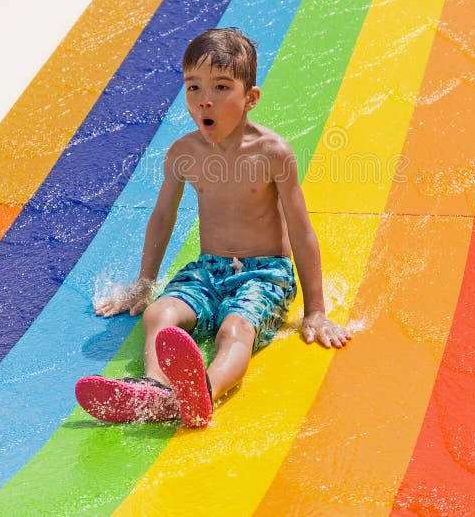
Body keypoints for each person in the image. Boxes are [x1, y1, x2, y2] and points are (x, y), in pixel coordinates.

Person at [75, 27, 351, 428]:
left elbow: (302, 230)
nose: (205, 99)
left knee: (234, 329)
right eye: (193, 87)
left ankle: (205, 389)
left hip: (265, 273)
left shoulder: (273, 153)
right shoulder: (184, 153)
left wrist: (316, 311)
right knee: (159, 313)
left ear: (250, 98)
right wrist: (144, 282)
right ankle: (155, 390)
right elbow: (163, 217)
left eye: (222, 87)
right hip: (208, 268)